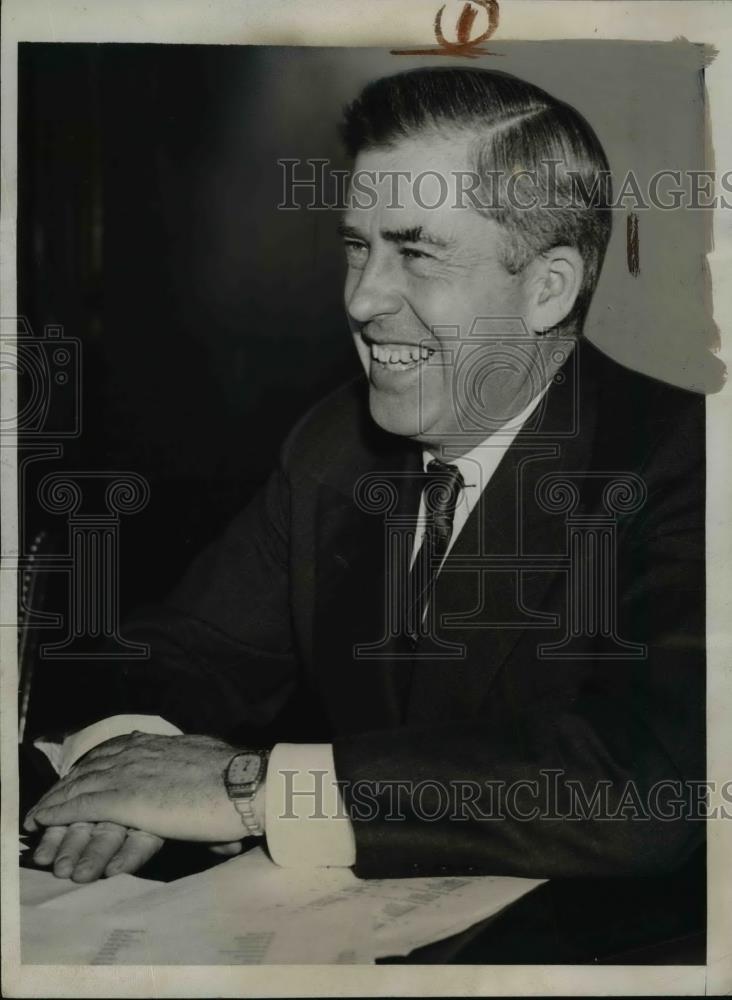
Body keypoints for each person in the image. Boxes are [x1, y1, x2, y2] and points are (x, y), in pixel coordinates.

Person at [24, 68, 705, 912]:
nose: (361, 297)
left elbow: (652, 785)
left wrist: (255, 788)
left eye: (415, 252)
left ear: (548, 288)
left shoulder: (689, 460)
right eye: (358, 246)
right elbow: (180, 650)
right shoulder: (337, 445)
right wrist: (129, 760)